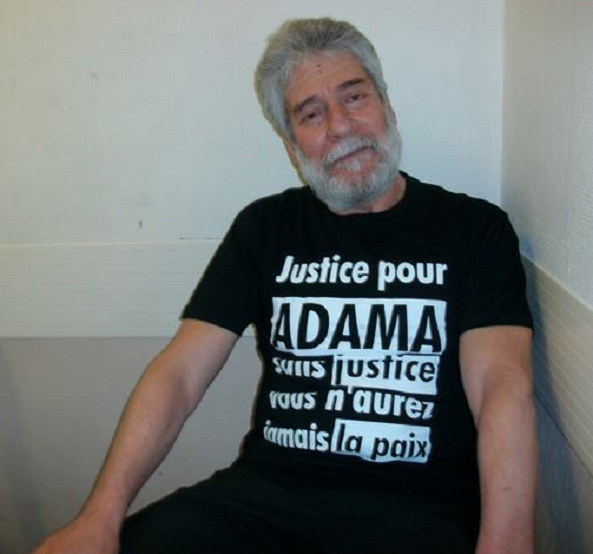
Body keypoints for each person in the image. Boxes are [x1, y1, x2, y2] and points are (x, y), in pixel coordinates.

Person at [31, 17, 536, 554]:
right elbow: (179, 375)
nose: (340, 126)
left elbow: (501, 385)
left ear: (387, 107)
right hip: (267, 498)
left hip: (416, 511)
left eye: (354, 97)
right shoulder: (265, 228)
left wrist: (507, 541)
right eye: (311, 114)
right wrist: (101, 515)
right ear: (293, 148)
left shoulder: (474, 229)